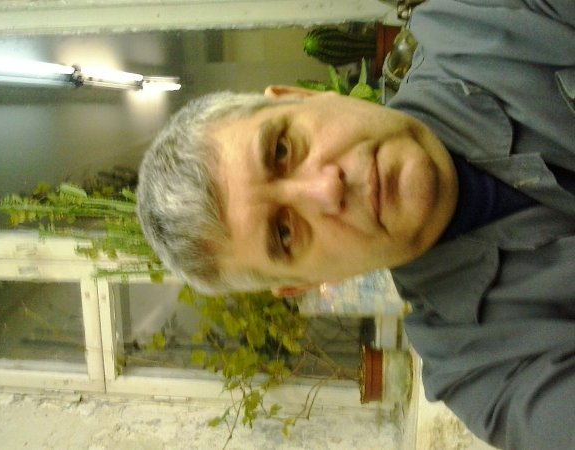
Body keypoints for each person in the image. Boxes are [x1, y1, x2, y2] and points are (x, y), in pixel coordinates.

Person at [136, 1, 575, 449]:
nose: (327, 190)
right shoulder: (486, 370)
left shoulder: (485, 16)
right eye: (284, 233)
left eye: (283, 150)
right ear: (306, 283)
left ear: (301, 97)